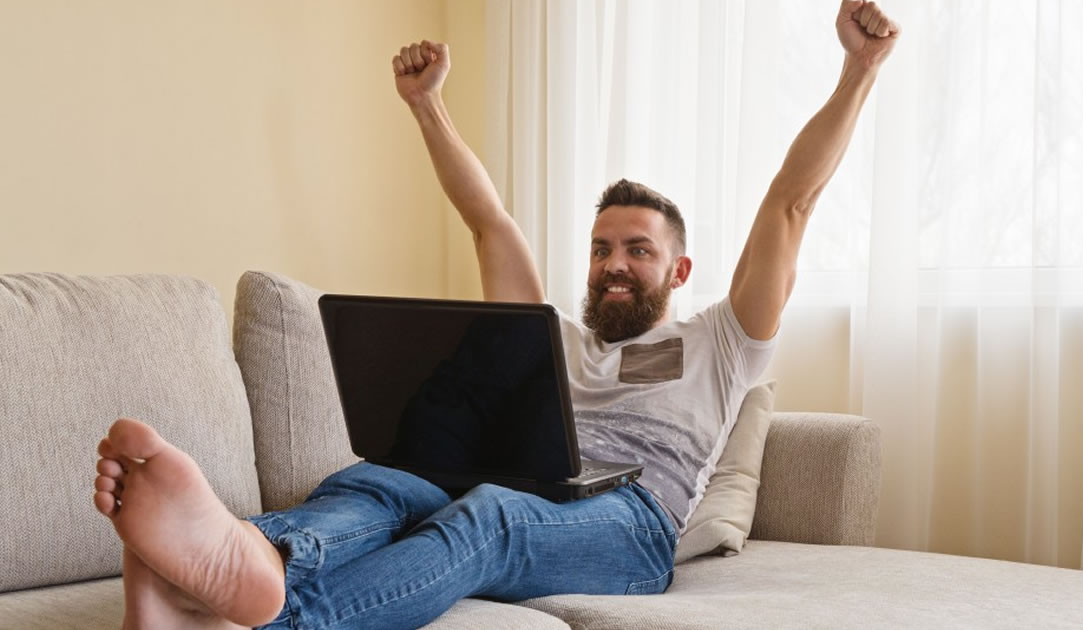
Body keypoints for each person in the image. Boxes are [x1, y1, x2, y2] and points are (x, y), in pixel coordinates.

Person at [92, 2, 898, 628]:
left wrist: (858, 72)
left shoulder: (723, 341)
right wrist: (426, 106)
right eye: (601, 248)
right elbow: (490, 224)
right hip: (519, 478)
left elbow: (790, 204)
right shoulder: (553, 341)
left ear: (679, 269)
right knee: (381, 482)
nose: (615, 263)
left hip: (629, 525)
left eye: (639, 251)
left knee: (492, 514)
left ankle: (280, 616)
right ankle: (248, 555)